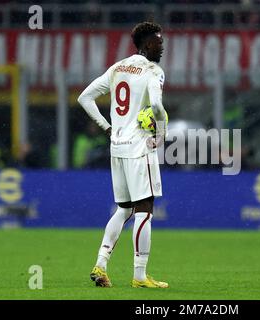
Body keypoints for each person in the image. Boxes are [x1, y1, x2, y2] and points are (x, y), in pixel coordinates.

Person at [77, 21, 168, 289]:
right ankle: (140, 276)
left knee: (124, 208)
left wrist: (106, 128)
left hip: (116, 146)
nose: (161, 48)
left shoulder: (118, 67)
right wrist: (160, 132)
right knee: (145, 209)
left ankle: (101, 264)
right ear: (147, 44)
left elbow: (85, 97)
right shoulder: (153, 71)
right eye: (158, 43)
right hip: (140, 147)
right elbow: (157, 106)